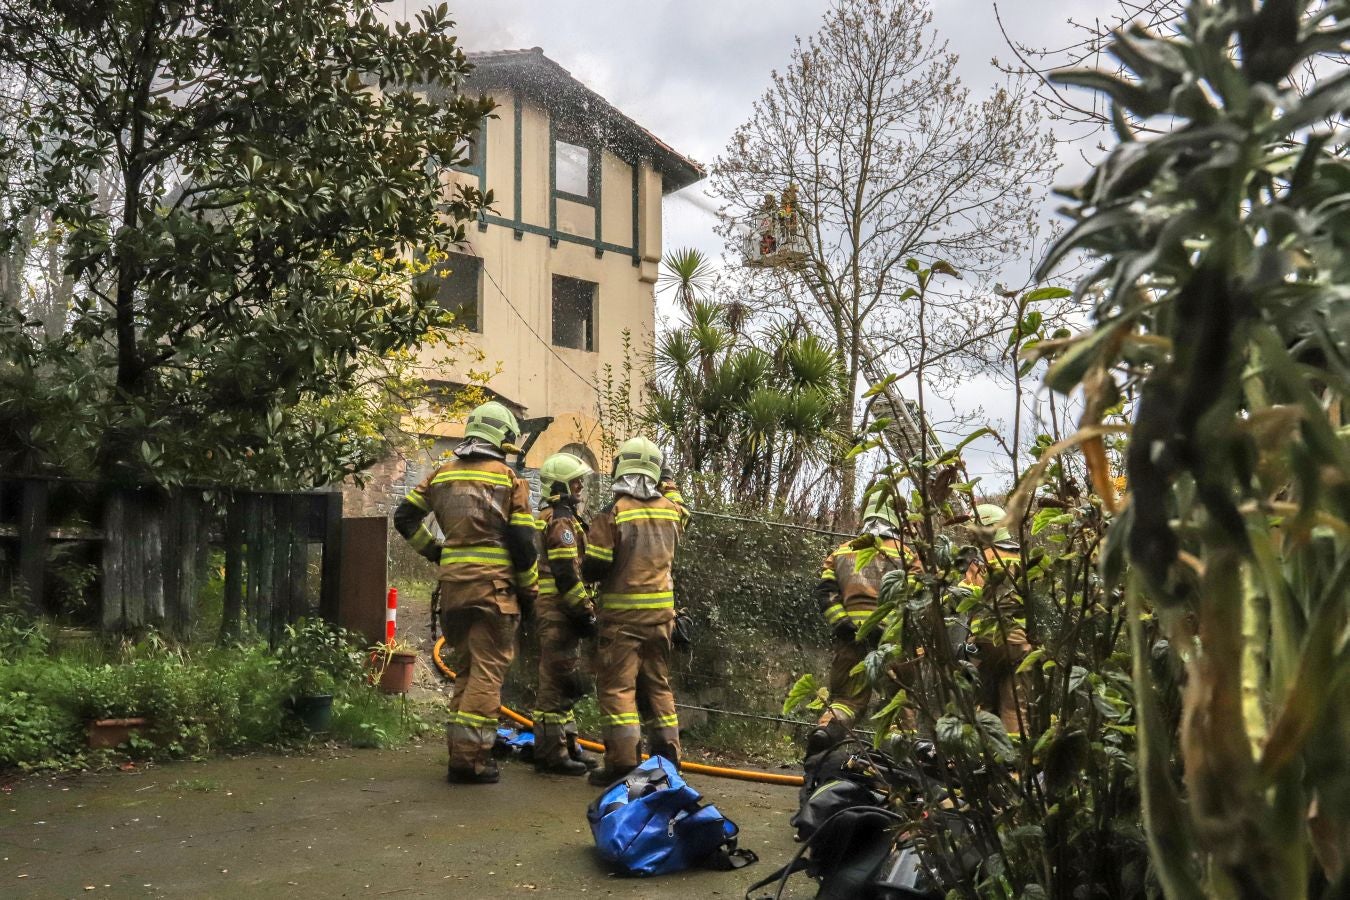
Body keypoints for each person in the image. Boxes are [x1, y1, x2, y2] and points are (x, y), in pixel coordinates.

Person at [392, 401, 539, 785]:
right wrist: (531, 591)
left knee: (468, 670)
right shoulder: (508, 479)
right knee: (487, 674)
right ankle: (472, 762)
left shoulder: (440, 475)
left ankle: (461, 753)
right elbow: (524, 543)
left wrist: (438, 553)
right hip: (495, 591)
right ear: (502, 437)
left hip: (454, 591)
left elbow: (404, 517)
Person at [582, 437, 688, 786]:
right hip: (662, 620)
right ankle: (668, 761)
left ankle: (622, 765)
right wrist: (668, 481)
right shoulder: (672, 512)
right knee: (658, 687)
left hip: (622, 623)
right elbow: (679, 503)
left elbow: (594, 568)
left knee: (618, 690)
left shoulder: (614, 512)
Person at [805, 492, 914, 758]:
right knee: (897, 703)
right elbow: (918, 596)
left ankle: (825, 737)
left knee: (845, 701)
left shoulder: (841, 552)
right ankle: (897, 764)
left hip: (850, 640)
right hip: (892, 644)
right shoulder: (908, 555)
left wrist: (843, 623)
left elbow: (826, 592)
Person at [530, 451, 601, 776]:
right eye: (575, 483)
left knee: (564, 679)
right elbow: (566, 572)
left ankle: (568, 745)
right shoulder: (560, 521)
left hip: (558, 610)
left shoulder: (557, 517)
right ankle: (551, 754)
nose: (580, 490)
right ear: (560, 485)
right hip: (559, 611)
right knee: (556, 682)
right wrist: (583, 612)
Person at [963, 503, 1031, 735]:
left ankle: (984, 762)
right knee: (1015, 708)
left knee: (982, 705)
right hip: (1019, 644)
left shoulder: (983, 558)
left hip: (986, 642)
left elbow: (964, 595)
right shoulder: (1023, 558)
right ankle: (1014, 767)